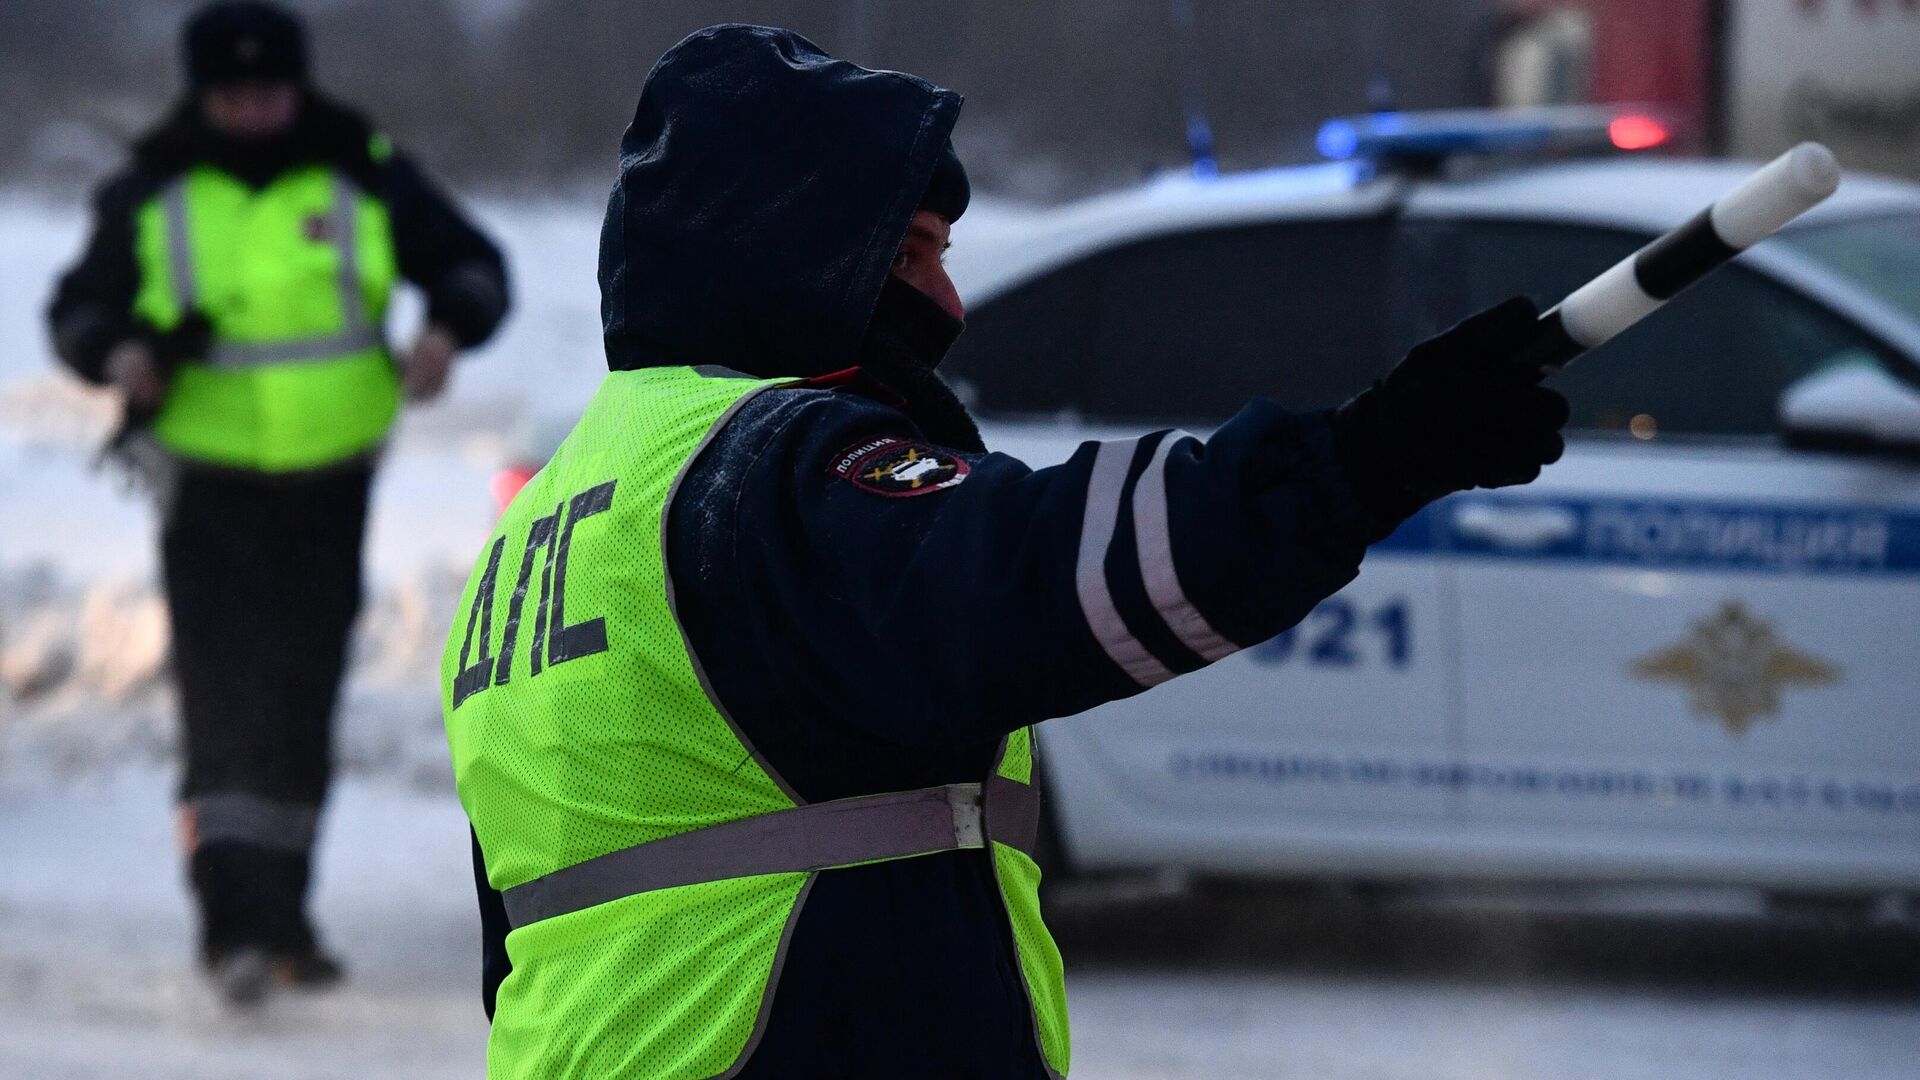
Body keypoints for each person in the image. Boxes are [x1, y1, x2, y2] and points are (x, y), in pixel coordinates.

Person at [441, 25, 1565, 1079]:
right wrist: (1369, 457)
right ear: (794, 252)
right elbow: (1035, 571)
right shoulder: (768, 472)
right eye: (913, 252)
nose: (948, 299)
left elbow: (520, 939)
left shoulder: (547, 527)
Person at [47, 1, 510, 1005]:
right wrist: (116, 352)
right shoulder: (151, 186)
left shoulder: (363, 169)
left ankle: (287, 919)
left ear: (296, 86)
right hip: (206, 482)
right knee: (225, 702)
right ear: (202, 94)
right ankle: (233, 930)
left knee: (301, 696)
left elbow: (476, 268)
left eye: (268, 89)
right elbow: (76, 308)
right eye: (232, 92)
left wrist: (446, 331)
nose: (253, 108)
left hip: (332, 478)